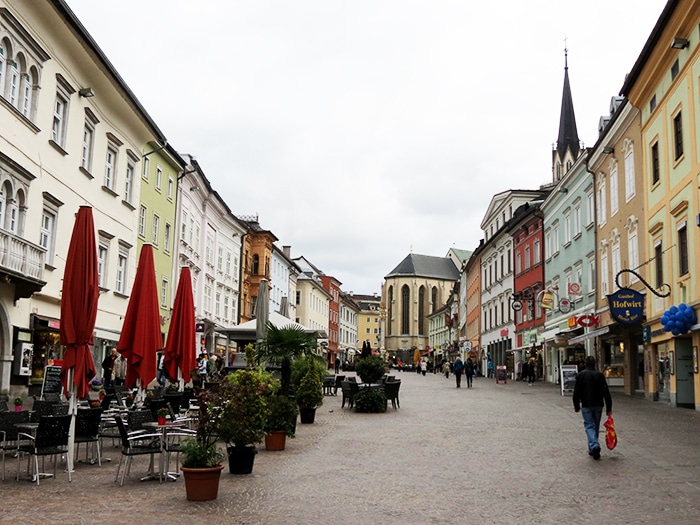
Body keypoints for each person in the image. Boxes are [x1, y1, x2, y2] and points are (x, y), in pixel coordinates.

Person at [573, 355, 613, 460]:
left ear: (586, 364)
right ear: (594, 364)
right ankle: (592, 449)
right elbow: (606, 392)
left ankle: (594, 446)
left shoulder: (581, 375)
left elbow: (576, 392)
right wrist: (609, 407)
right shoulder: (600, 375)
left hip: (586, 404)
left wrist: (576, 405)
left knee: (589, 426)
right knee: (595, 426)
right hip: (598, 404)